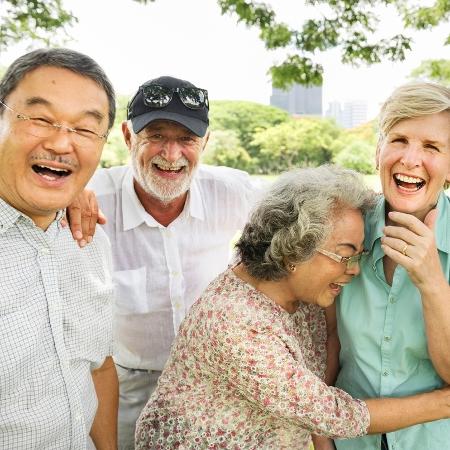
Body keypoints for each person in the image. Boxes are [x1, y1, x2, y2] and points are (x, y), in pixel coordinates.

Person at [135, 165, 450, 450]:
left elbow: (325, 354)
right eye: (346, 254)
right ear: (295, 249)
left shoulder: (300, 295)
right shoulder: (234, 323)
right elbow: (334, 414)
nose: (355, 269)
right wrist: (443, 403)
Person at [83, 75, 262, 449]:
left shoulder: (234, 192)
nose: (171, 153)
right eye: (157, 136)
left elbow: (307, 212)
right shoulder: (90, 197)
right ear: (129, 137)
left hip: (216, 384)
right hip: (127, 386)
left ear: (206, 142)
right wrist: (68, 195)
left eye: (186, 139)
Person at [0, 48, 118, 449]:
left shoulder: (89, 238)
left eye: (85, 129)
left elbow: (99, 367)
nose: (61, 143)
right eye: (40, 119)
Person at [335, 81, 450, 450]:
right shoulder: (341, 230)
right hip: (349, 442)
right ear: (378, 151)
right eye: (399, 140)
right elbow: (322, 351)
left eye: (431, 147)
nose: (410, 159)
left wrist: (431, 280)